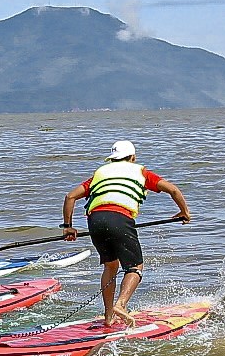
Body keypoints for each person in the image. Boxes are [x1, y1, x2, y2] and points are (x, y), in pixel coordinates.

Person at [61, 140, 191, 328]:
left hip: (94, 221)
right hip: (120, 219)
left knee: (110, 266)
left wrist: (68, 227)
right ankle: (121, 305)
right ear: (133, 158)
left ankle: (108, 317)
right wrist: (184, 212)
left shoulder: (100, 174)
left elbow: (70, 196)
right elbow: (173, 189)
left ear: (112, 159)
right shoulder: (141, 172)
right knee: (135, 267)